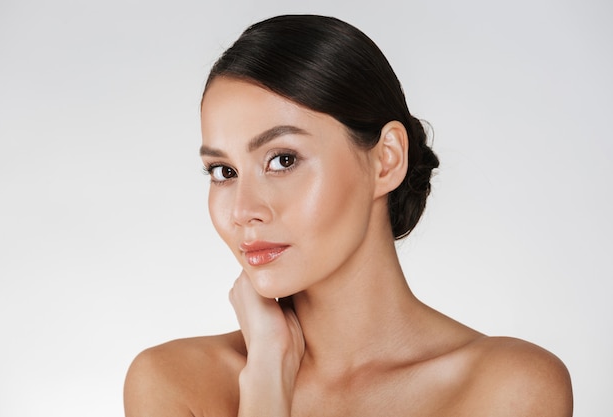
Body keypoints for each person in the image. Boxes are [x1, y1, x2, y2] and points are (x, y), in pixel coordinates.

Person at [124, 15, 572, 416]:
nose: (243, 211)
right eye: (223, 171)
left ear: (387, 160)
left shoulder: (508, 387)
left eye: (282, 160)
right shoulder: (173, 382)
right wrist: (266, 375)